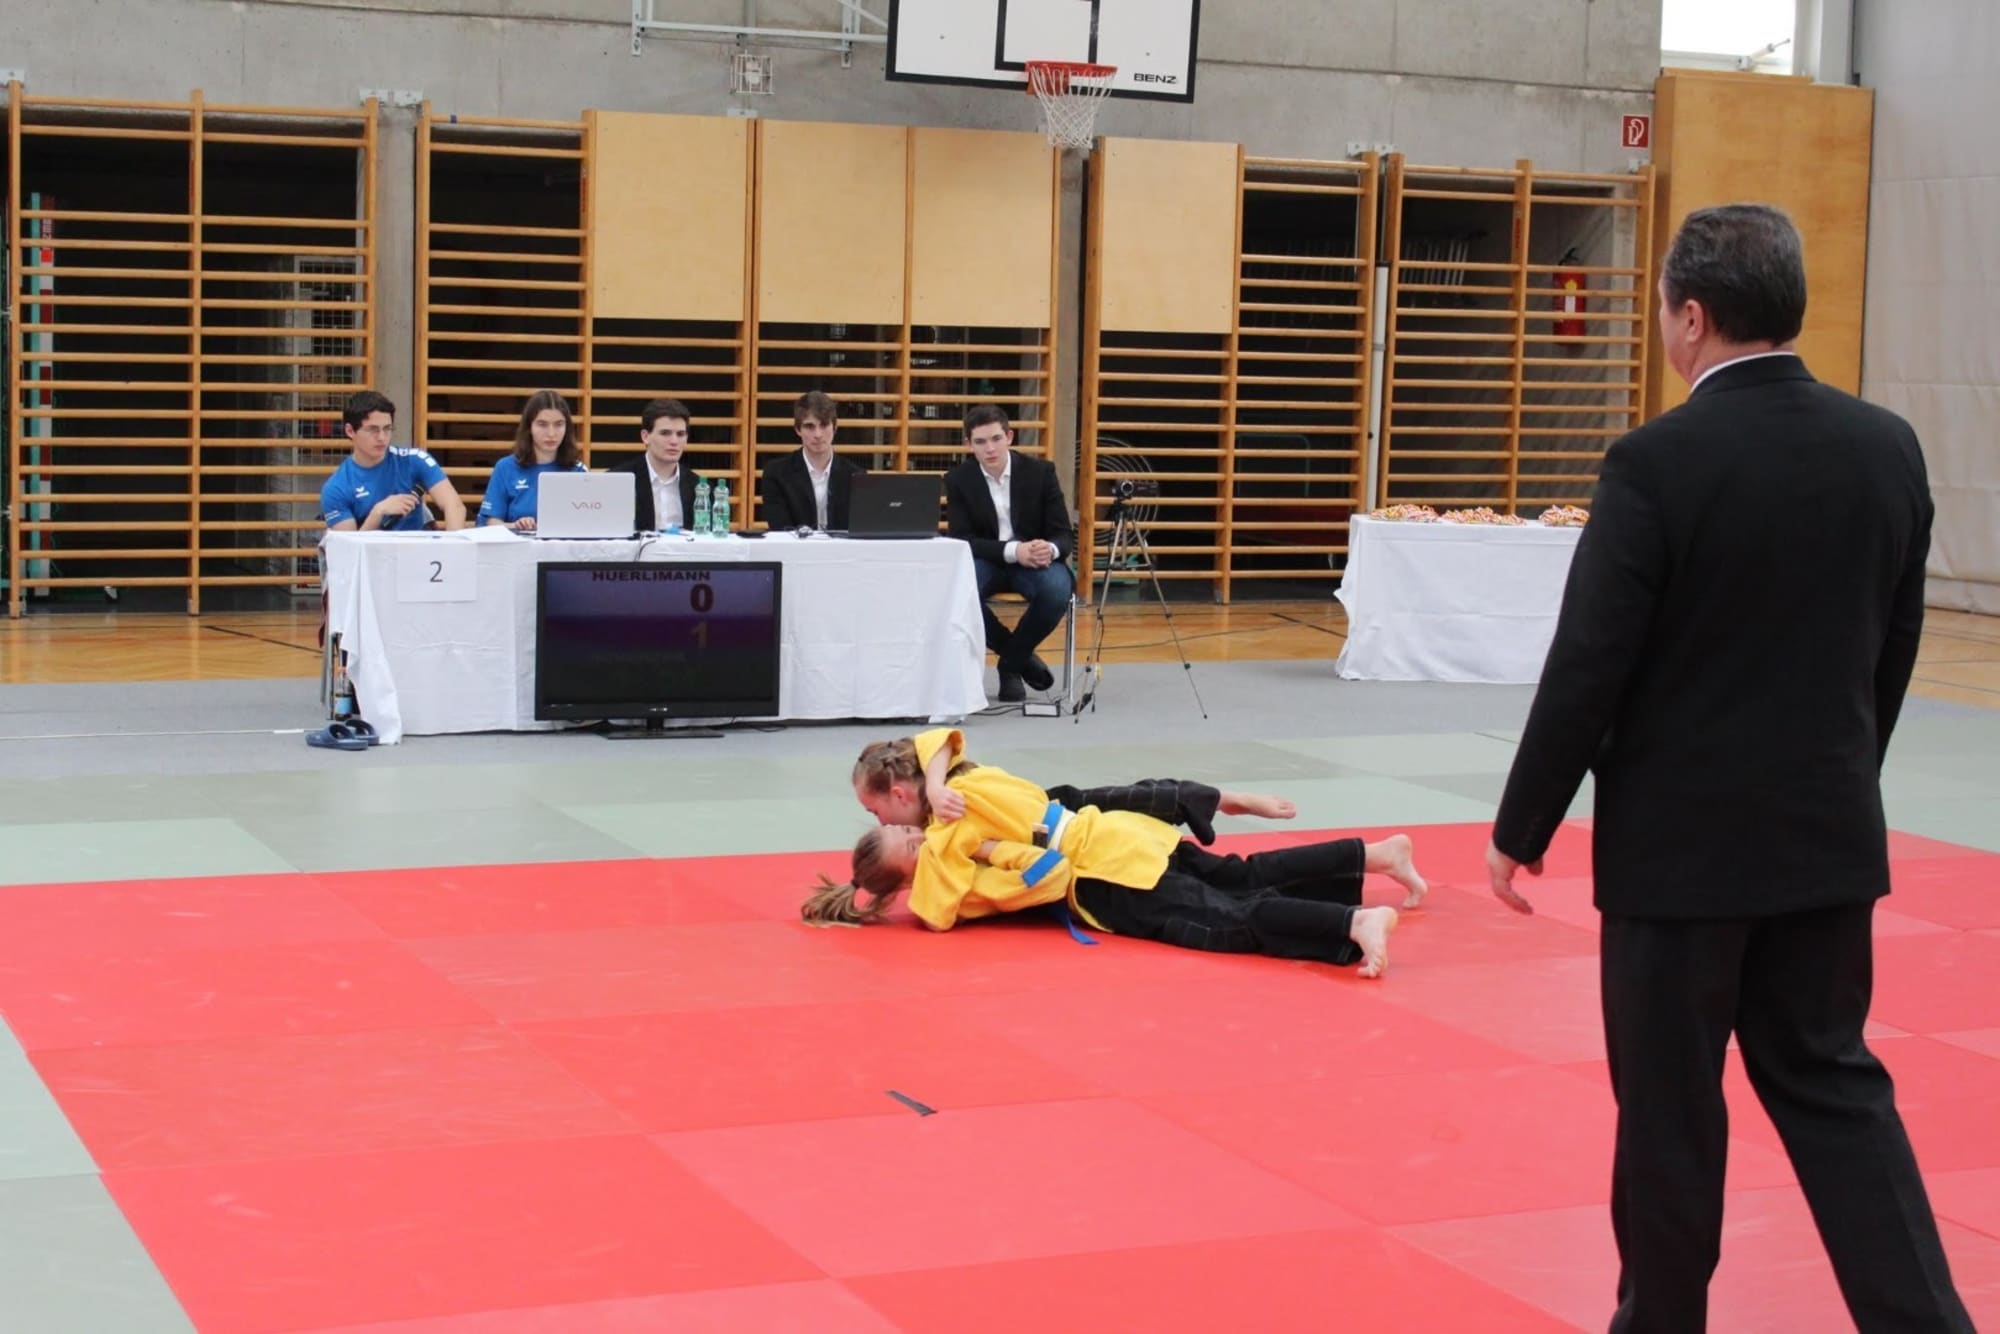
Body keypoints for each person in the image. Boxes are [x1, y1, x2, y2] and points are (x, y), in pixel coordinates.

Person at [1485, 205, 1970, 1333]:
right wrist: (1838, 775)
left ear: (1690, 317)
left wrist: (1521, 825)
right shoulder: (1885, 446)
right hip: (1823, 839)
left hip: (1678, 863)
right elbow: (1891, 647)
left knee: (1669, 1114)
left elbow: (1590, 661)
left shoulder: (1655, 462)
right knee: (1836, 1089)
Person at [827, 727, 1423, 977]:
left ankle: (1354, 921)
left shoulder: (950, 816)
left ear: (900, 794)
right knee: (1243, 876)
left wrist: (979, 842)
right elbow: (938, 739)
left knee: (1230, 919)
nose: (889, 823)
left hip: (1108, 874)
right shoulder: (968, 778)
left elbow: (949, 905)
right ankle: (1374, 856)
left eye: (880, 815)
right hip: (1124, 834)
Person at [944, 405, 1075, 702]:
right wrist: (1014, 550)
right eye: (980, 442)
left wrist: (1049, 549)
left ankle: (1010, 664)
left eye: (996, 439)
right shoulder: (958, 479)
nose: (989, 449)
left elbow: (1063, 534)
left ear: (1010, 437)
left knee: (1057, 589)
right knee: (957, 592)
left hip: (1035, 560)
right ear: (968, 445)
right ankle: (1017, 656)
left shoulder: (1041, 472)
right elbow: (962, 540)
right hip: (988, 559)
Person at [320, 389, 466, 532]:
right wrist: (378, 513)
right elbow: (349, 546)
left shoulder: (415, 460)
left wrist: (452, 544)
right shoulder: (336, 488)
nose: (382, 437)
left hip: (418, 546)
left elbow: (454, 506)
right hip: (373, 549)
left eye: (387, 428)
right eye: (373, 429)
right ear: (350, 431)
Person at [478, 389, 586, 531]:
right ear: (529, 427)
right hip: (517, 544)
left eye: (559, 424)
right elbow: (490, 522)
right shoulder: (505, 468)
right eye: (542, 424)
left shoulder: (578, 470)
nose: (551, 433)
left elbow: (587, 523)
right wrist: (516, 526)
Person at [759, 390, 866, 531]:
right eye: (810, 426)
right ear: (798, 430)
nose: (818, 434)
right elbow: (780, 528)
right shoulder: (776, 474)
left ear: (835, 428)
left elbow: (859, 528)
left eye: (824, 425)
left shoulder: (856, 476)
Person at [609, 397, 701, 532]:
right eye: (665, 433)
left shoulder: (698, 486)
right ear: (645, 437)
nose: (674, 441)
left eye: (680, 434)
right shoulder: (617, 480)